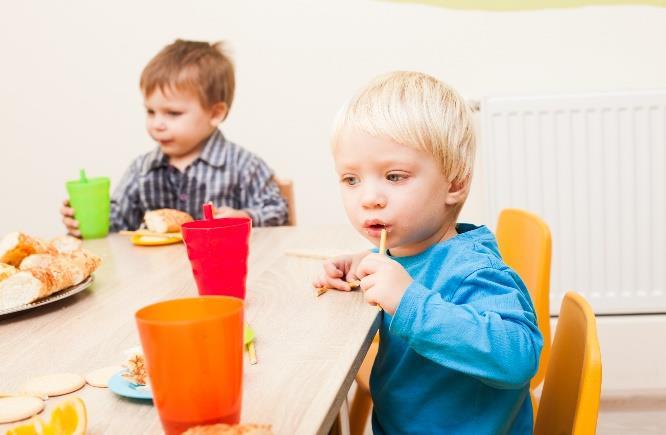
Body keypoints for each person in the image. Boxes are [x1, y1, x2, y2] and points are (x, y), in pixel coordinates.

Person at [313, 71, 543, 434]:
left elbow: (519, 358)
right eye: (351, 179)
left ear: (455, 182)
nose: (369, 198)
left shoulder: (473, 270)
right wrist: (359, 264)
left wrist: (407, 301)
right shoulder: (406, 248)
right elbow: (412, 267)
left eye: (394, 176)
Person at [61, 39, 288, 236]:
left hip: (222, 275)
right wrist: (84, 220)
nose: (157, 124)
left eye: (173, 113)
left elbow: (278, 212)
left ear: (215, 113)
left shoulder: (243, 165)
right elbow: (120, 223)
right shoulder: (142, 170)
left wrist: (244, 217)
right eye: (150, 111)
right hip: (158, 278)